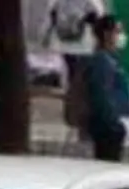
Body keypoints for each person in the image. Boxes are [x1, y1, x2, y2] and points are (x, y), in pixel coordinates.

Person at [45, 0, 106, 143]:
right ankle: (81, 120)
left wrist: (46, 38)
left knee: (72, 81)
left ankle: (72, 116)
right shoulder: (92, 2)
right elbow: (99, 19)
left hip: (63, 44)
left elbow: (49, 18)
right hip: (85, 47)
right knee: (84, 84)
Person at [81, 14, 129, 162]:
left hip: (109, 126)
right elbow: (101, 96)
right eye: (118, 31)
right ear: (107, 34)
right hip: (107, 128)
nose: (122, 36)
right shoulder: (102, 61)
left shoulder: (109, 59)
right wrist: (116, 125)